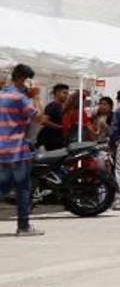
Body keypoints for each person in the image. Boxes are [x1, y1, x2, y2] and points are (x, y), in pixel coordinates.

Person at [1, 65, 47, 236]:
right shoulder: (19, 98)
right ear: (25, 79)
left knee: (4, 187)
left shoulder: (2, 94)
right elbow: (40, 117)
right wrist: (35, 96)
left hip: (2, 149)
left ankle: (24, 226)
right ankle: (24, 226)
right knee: (22, 188)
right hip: (16, 151)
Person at [36, 83, 69, 151]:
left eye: (67, 93)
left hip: (59, 138)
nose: (67, 96)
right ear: (57, 93)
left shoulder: (61, 106)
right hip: (52, 140)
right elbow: (43, 121)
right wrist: (60, 127)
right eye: (64, 93)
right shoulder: (52, 106)